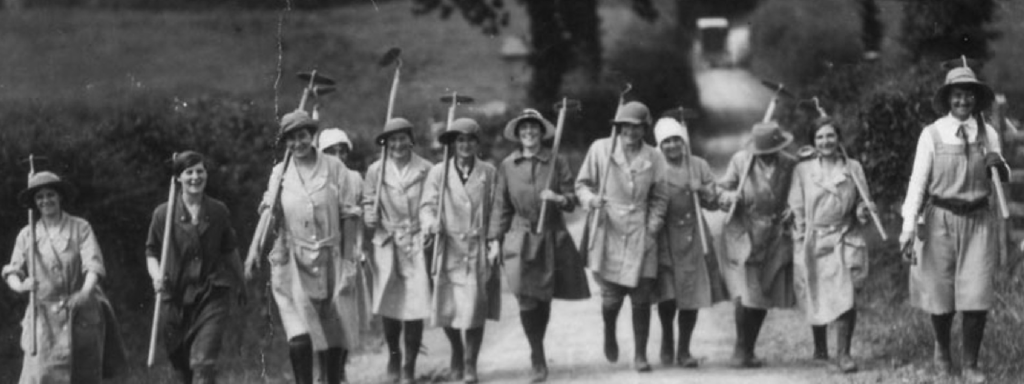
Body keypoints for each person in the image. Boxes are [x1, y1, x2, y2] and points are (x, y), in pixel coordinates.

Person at [899, 63, 1009, 383]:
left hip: (978, 220)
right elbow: (918, 184)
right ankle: (943, 353)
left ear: (976, 98)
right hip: (939, 222)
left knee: (977, 294)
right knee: (941, 294)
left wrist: (997, 163)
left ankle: (971, 364)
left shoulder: (988, 133)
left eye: (969, 95)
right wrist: (908, 228)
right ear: (949, 99)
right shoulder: (932, 134)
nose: (963, 101)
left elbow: (1003, 179)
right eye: (957, 95)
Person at [243, 110, 364, 384]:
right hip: (292, 263)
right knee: (299, 334)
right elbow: (270, 210)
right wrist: (253, 251)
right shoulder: (280, 172)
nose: (297, 144)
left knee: (333, 332)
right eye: (290, 139)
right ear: (284, 142)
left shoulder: (335, 169)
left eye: (302, 136)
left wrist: (347, 263)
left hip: (331, 260)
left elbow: (350, 216)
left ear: (312, 136)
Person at [491, 109, 591, 382]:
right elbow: (502, 206)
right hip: (520, 236)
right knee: (525, 295)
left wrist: (558, 198)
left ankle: (539, 346)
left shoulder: (556, 160)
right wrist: (495, 240)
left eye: (533, 129)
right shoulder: (508, 165)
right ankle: (537, 355)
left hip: (551, 234)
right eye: (524, 130)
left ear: (541, 132)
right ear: (518, 134)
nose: (529, 134)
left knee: (543, 295)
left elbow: (572, 200)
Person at [3, 171, 125, 384]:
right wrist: (22, 286)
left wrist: (85, 293)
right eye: (39, 197)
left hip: (80, 314)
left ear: (60, 196)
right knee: (40, 375)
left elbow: (93, 266)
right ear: (34, 202)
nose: (45, 200)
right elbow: (12, 271)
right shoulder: (27, 234)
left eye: (50, 194)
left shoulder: (81, 227)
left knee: (83, 375)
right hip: (42, 319)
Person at [575, 101, 668, 372]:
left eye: (636, 127)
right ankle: (609, 329)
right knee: (611, 297)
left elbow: (661, 197)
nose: (630, 132)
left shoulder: (655, 157)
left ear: (644, 129)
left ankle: (640, 354)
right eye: (625, 126)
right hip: (608, 226)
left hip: (641, 228)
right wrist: (591, 200)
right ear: (618, 127)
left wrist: (653, 227)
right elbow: (582, 184)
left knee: (642, 296)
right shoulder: (600, 149)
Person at [146, 151, 246, 384]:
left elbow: (230, 250)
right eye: (188, 172)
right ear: (178, 178)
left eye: (200, 171)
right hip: (174, 299)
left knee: (203, 362)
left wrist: (241, 282)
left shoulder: (218, 211)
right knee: (182, 370)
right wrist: (155, 276)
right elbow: (151, 252)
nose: (195, 177)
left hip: (211, 295)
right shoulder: (163, 214)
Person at [420, 117, 501, 384]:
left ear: (477, 143)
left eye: (470, 140)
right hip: (449, 245)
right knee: (447, 305)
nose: (465, 145)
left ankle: (470, 363)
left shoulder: (488, 172)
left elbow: (496, 210)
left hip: (477, 246)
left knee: (476, 305)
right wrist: (431, 224)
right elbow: (427, 206)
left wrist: (494, 241)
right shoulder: (438, 172)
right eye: (460, 140)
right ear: (453, 144)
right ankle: (456, 348)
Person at [788, 120, 872, 373]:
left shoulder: (853, 167)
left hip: (844, 236)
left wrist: (864, 211)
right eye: (820, 137)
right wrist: (800, 240)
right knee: (817, 290)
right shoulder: (803, 170)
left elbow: (862, 201)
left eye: (830, 136)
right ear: (813, 142)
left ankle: (844, 354)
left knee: (847, 296)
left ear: (839, 138)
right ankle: (820, 348)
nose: (826, 142)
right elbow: (797, 207)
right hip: (814, 238)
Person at [717, 120, 797, 368]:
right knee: (746, 293)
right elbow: (721, 188)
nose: (767, 156)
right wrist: (729, 197)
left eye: (771, 152)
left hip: (775, 236)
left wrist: (794, 209)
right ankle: (740, 350)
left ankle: (749, 349)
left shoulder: (789, 163)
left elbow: (799, 192)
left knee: (763, 294)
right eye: (763, 153)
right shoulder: (741, 161)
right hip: (746, 232)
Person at [650, 116, 728, 368]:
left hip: (694, 235)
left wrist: (702, 190)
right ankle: (667, 342)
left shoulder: (698, 165)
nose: (672, 146)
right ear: (659, 145)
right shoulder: (653, 166)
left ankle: (684, 349)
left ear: (684, 141)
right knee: (668, 294)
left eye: (676, 140)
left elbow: (715, 203)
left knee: (691, 294)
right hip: (665, 235)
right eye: (666, 142)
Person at [362, 118, 434, 384]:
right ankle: (394, 356)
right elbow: (368, 201)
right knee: (390, 306)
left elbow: (430, 203)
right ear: (386, 143)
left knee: (415, 307)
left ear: (411, 140)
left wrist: (427, 227)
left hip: (416, 241)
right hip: (387, 242)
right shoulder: (375, 171)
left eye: (403, 138)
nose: (398, 144)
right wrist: (369, 215)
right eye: (392, 140)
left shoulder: (426, 169)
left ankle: (409, 366)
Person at [318, 127, 374, 384]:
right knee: (321, 318)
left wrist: (358, 249)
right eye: (331, 151)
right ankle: (323, 372)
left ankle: (339, 370)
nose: (338, 156)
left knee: (345, 317)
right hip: (318, 259)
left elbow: (361, 218)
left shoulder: (354, 178)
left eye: (342, 151)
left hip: (348, 256)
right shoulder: (315, 179)